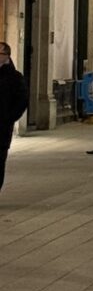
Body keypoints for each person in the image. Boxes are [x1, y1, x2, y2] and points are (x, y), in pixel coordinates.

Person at [0, 42, 28, 193]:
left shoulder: (15, 77)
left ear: (6, 56)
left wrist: (9, 118)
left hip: (2, 128)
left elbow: (22, 100)